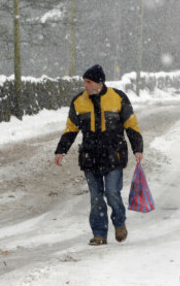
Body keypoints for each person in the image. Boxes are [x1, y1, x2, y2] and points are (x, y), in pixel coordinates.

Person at [54, 64, 144, 246]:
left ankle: (119, 222)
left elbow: (131, 125)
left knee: (112, 193)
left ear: (99, 83)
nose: (85, 85)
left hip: (114, 155)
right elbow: (71, 129)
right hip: (89, 157)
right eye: (84, 82)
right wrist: (61, 150)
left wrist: (137, 148)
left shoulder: (118, 98)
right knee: (96, 198)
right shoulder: (78, 101)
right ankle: (99, 234)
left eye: (88, 82)